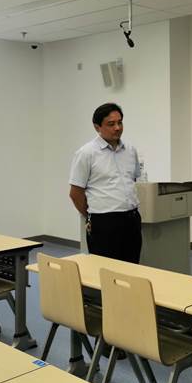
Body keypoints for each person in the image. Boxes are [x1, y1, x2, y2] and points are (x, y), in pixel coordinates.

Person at [68, 103, 142, 263]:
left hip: (132, 219)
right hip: (104, 222)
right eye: (111, 124)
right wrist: (92, 214)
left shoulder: (130, 150)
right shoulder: (86, 153)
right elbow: (75, 193)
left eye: (120, 122)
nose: (117, 128)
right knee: (105, 269)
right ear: (97, 127)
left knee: (132, 267)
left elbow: (132, 180)